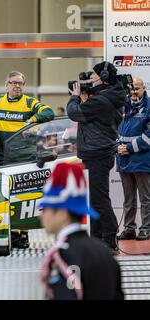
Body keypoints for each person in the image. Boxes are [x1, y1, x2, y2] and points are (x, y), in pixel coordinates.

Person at [0, 71, 54, 249]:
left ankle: (23, 233)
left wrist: (32, 120)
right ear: (6, 84)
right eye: (14, 83)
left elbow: (49, 112)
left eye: (21, 84)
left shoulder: (29, 102)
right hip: (4, 156)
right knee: (6, 193)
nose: (17, 86)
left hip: (25, 155)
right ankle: (11, 230)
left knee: (26, 193)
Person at [39, 162, 123, 300]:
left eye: (45, 209)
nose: (41, 215)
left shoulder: (62, 256)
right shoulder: (105, 253)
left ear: (62, 214)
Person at [67, 61, 126, 254]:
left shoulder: (102, 100)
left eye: (93, 75)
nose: (90, 79)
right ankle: (97, 238)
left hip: (98, 154)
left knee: (99, 199)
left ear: (105, 77)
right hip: (97, 153)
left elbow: (74, 113)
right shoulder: (107, 96)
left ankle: (109, 239)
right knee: (95, 199)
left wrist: (75, 98)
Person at [116, 77, 150, 241]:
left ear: (144, 88)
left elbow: (149, 137)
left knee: (145, 198)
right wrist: (117, 146)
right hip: (123, 159)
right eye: (131, 88)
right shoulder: (123, 106)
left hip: (142, 159)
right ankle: (129, 228)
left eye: (137, 88)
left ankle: (146, 228)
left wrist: (128, 148)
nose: (134, 91)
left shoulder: (149, 107)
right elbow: (113, 128)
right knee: (128, 198)